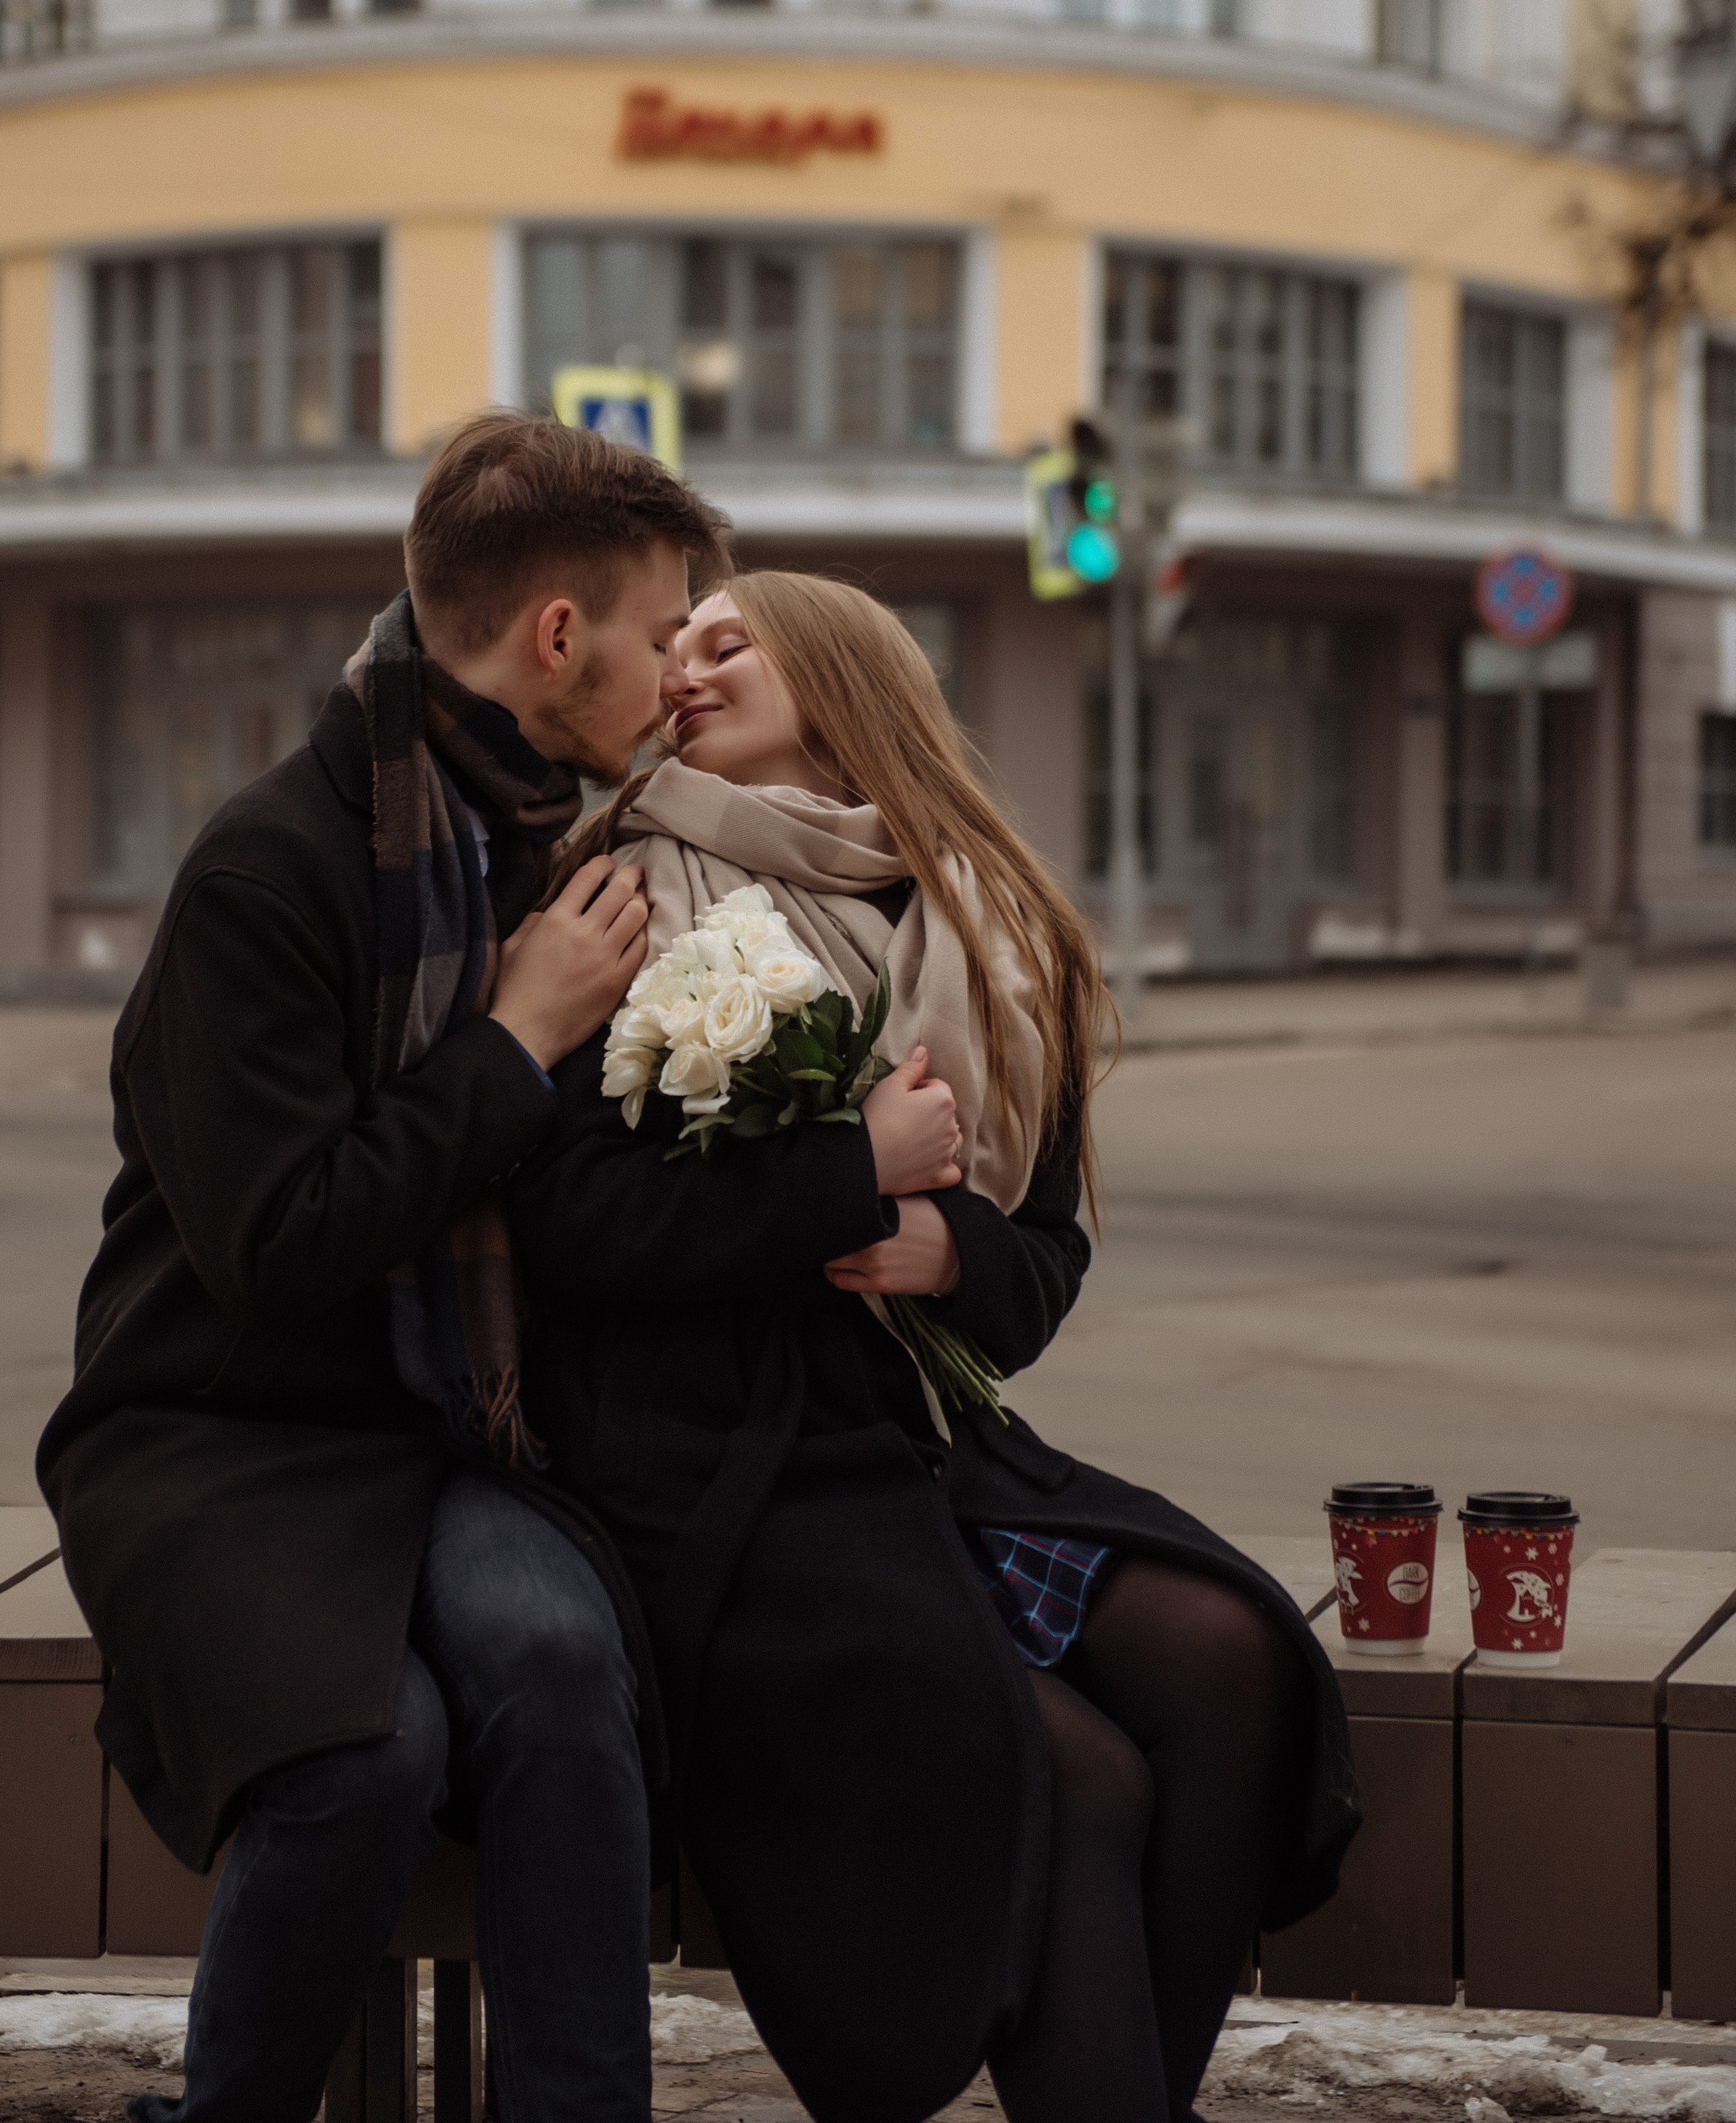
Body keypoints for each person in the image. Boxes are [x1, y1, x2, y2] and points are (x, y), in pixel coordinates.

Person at [509, 570, 1362, 2123]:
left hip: (923, 1452)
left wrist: (948, 1250)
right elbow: (570, 1229)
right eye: (674, 644)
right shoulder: (619, 896)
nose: (684, 667)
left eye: (725, 641)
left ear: (841, 679)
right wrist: (848, 1175)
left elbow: (1041, 1263)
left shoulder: (986, 925)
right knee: (1077, 1780)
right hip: (721, 1486)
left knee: (1231, 1660)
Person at [36, 413, 731, 2123]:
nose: (675, 675)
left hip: (435, 1440)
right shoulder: (269, 872)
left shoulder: (553, 850)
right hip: (218, 1436)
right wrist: (510, 1041)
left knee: (560, 1675)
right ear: (556, 635)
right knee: (366, 1757)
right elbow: (279, 1248)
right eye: (659, 634)